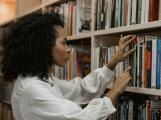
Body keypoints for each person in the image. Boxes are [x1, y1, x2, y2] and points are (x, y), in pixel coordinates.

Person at [1, 13, 135, 120]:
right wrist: (115, 91)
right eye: (64, 43)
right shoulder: (33, 89)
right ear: (44, 46)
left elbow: (79, 89)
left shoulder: (41, 79)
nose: (68, 49)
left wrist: (111, 65)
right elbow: (82, 118)